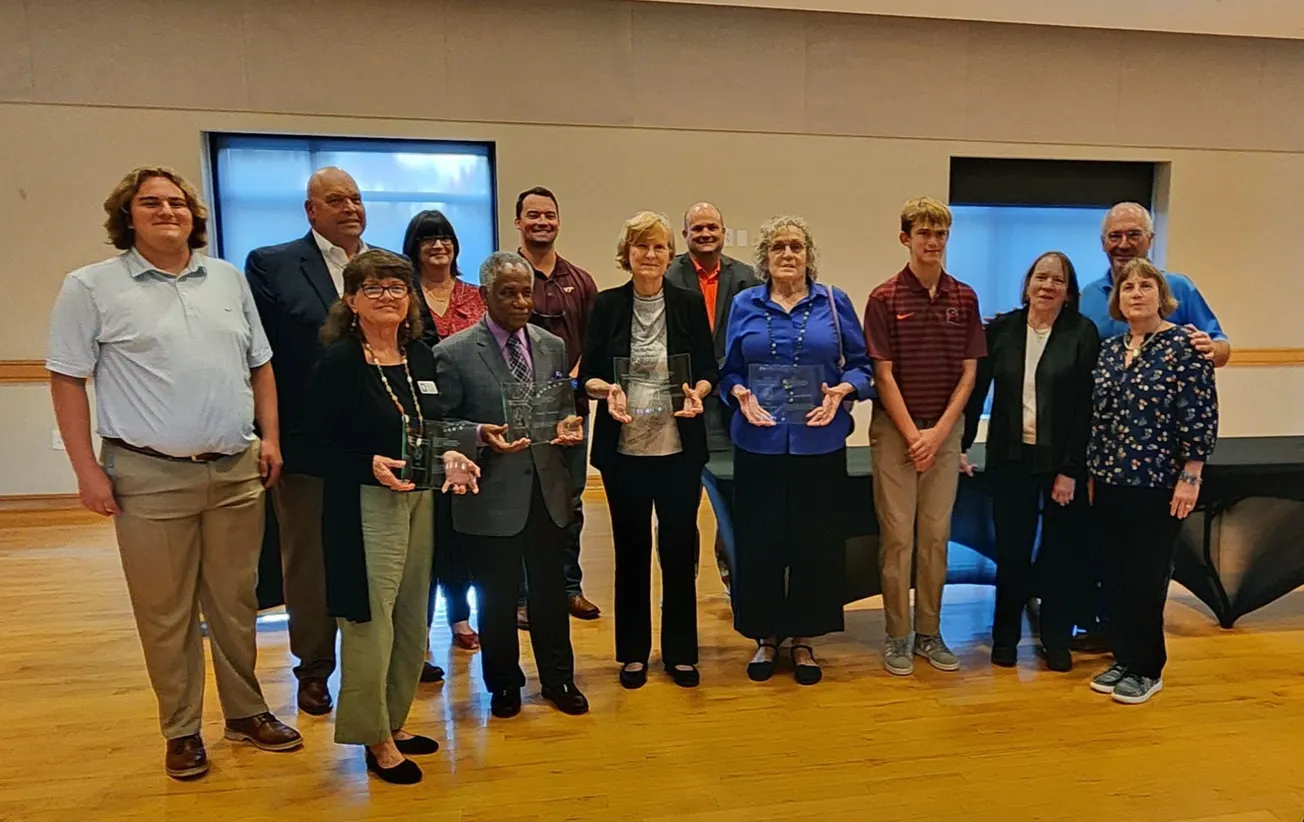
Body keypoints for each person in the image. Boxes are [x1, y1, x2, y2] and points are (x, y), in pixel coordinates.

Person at [47, 166, 301, 780]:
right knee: (167, 612)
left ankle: (245, 711)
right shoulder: (91, 287)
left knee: (237, 602)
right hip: (148, 475)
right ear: (127, 217)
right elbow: (67, 379)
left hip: (236, 470)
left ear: (194, 216)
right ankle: (182, 729)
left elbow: (260, 365)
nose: (167, 211)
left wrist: (269, 437)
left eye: (178, 203)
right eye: (151, 203)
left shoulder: (227, 279)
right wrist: (86, 470)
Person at [304, 250, 478, 784]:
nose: (388, 297)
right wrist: (366, 465)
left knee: (411, 615)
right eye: (374, 288)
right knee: (370, 622)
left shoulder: (419, 356)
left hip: (420, 498)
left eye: (398, 288)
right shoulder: (338, 363)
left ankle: (395, 722)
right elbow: (305, 445)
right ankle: (373, 736)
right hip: (364, 504)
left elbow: (434, 424)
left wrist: (454, 454)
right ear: (351, 300)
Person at [432, 251, 591, 718]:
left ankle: (559, 679)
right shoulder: (453, 353)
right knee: (497, 599)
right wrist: (479, 435)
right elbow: (440, 426)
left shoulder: (552, 346)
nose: (521, 302)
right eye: (508, 293)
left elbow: (563, 408)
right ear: (485, 295)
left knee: (549, 595)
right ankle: (503, 684)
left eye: (526, 292)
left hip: (547, 490)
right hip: (490, 494)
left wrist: (569, 431)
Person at [719, 216, 873, 686]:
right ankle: (766, 636)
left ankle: (804, 638)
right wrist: (739, 394)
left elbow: (862, 366)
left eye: (797, 247)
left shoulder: (834, 302)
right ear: (765, 257)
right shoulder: (744, 303)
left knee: (815, 544)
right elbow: (727, 370)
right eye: (779, 247)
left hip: (819, 443)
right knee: (760, 542)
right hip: (758, 443)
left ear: (809, 256)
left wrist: (843, 390)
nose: (788, 254)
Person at [245, 166, 375, 713]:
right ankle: (315, 667)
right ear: (311, 210)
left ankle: (384, 658)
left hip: (378, 441)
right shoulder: (272, 264)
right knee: (309, 561)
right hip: (307, 439)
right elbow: (262, 357)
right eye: (336, 199)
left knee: (380, 552)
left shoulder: (386, 267)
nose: (350, 208)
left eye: (356, 198)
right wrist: (268, 434)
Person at [1073, 201, 1231, 650]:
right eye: (1115, 236)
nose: (1123, 243)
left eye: (1133, 234)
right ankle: (1114, 639)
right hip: (1110, 467)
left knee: (1147, 568)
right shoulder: (1089, 299)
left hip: (1159, 470)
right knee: (1113, 561)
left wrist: (1191, 472)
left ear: (1150, 239)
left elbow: (1217, 352)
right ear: (1103, 243)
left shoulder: (1178, 293)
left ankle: (1142, 658)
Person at [581, 212, 717, 689]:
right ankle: (633, 654)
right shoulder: (607, 304)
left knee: (679, 552)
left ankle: (680, 653)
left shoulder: (687, 303)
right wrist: (606, 391)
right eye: (641, 246)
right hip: (624, 452)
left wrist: (699, 391)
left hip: (678, 449)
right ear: (627, 253)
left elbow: (708, 369)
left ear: (670, 253)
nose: (650, 255)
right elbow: (588, 375)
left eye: (659, 246)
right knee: (631, 552)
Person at [1085, 258, 1218, 705]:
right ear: (1117, 300)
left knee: (1146, 577)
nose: (1136, 293)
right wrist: (1093, 472)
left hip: (1159, 481)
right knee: (1116, 574)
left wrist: (1191, 475)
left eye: (1146, 286)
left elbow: (1199, 414)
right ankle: (1123, 657)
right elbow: (1099, 419)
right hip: (1110, 479)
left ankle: (1147, 667)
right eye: (1128, 287)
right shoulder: (1110, 350)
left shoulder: (1184, 345)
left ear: (1162, 296)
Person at [863, 196, 985, 677]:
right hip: (896, 432)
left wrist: (939, 434)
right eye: (924, 233)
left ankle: (929, 632)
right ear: (905, 239)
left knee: (935, 535)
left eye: (940, 234)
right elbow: (883, 374)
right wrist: (915, 435)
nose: (933, 242)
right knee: (898, 536)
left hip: (944, 432)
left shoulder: (965, 297)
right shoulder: (884, 298)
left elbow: (970, 373)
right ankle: (897, 634)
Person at [962, 252, 1099, 672]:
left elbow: (1086, 408)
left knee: (1060, 553)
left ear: (1068, 291)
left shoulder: (1082, 332)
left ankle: (1056, 638)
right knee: (1012, 551)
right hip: (1010, 458)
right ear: (1027, 284)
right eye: (1041, 277)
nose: (1048, 286)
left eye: (1058, 280)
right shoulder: (1001, 330)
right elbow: (976, 392)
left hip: (1061, 464)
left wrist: (1070, 470)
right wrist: (961, 446)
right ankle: (1004, 638)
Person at [401, 210, 484, 678]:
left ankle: (460, 617)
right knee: (425, 536)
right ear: (413, 247)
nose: (437, 245)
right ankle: (418, 636)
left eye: (445, 237)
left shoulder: (477, 295)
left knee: (459, 533)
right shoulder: (402, 295)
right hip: (420, 426)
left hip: (471, 428)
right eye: (427, 238)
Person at [516, 186, 601, 624]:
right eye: (533, 215)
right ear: (518, 222)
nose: (542, 222)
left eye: (549, 215)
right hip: (518, 413)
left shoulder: (580, 281)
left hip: (571, 411)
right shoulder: (507, 276)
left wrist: (570, 384)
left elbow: (595, 342)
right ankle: (523, 596)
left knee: (569, 502)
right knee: (522, 501)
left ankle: (568, 588)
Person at [664, 201, 758, 594]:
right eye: (697, 228)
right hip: (681, 406)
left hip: (730, 408)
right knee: (677, 507)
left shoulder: (747, 277)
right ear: (685, 235)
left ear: (723, 232)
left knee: (732, 502)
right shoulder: (668, 275)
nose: (705, 234)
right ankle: (679, 588)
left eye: (712, 227)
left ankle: (733, 576)